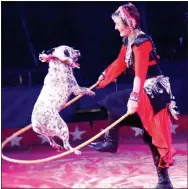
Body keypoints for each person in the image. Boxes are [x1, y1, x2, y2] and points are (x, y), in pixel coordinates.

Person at [89, 3, 179, 189]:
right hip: (145, 89)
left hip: (154, 91)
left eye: (117, 24)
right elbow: (120, 63)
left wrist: (134, 98)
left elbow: (140, 73)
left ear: (128, 23)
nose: (115, 28)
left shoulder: (142, 42)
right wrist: (104, 77)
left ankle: (111, 142)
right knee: (150, 134)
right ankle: (164, 182)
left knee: (114, 102)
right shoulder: (129, 41)